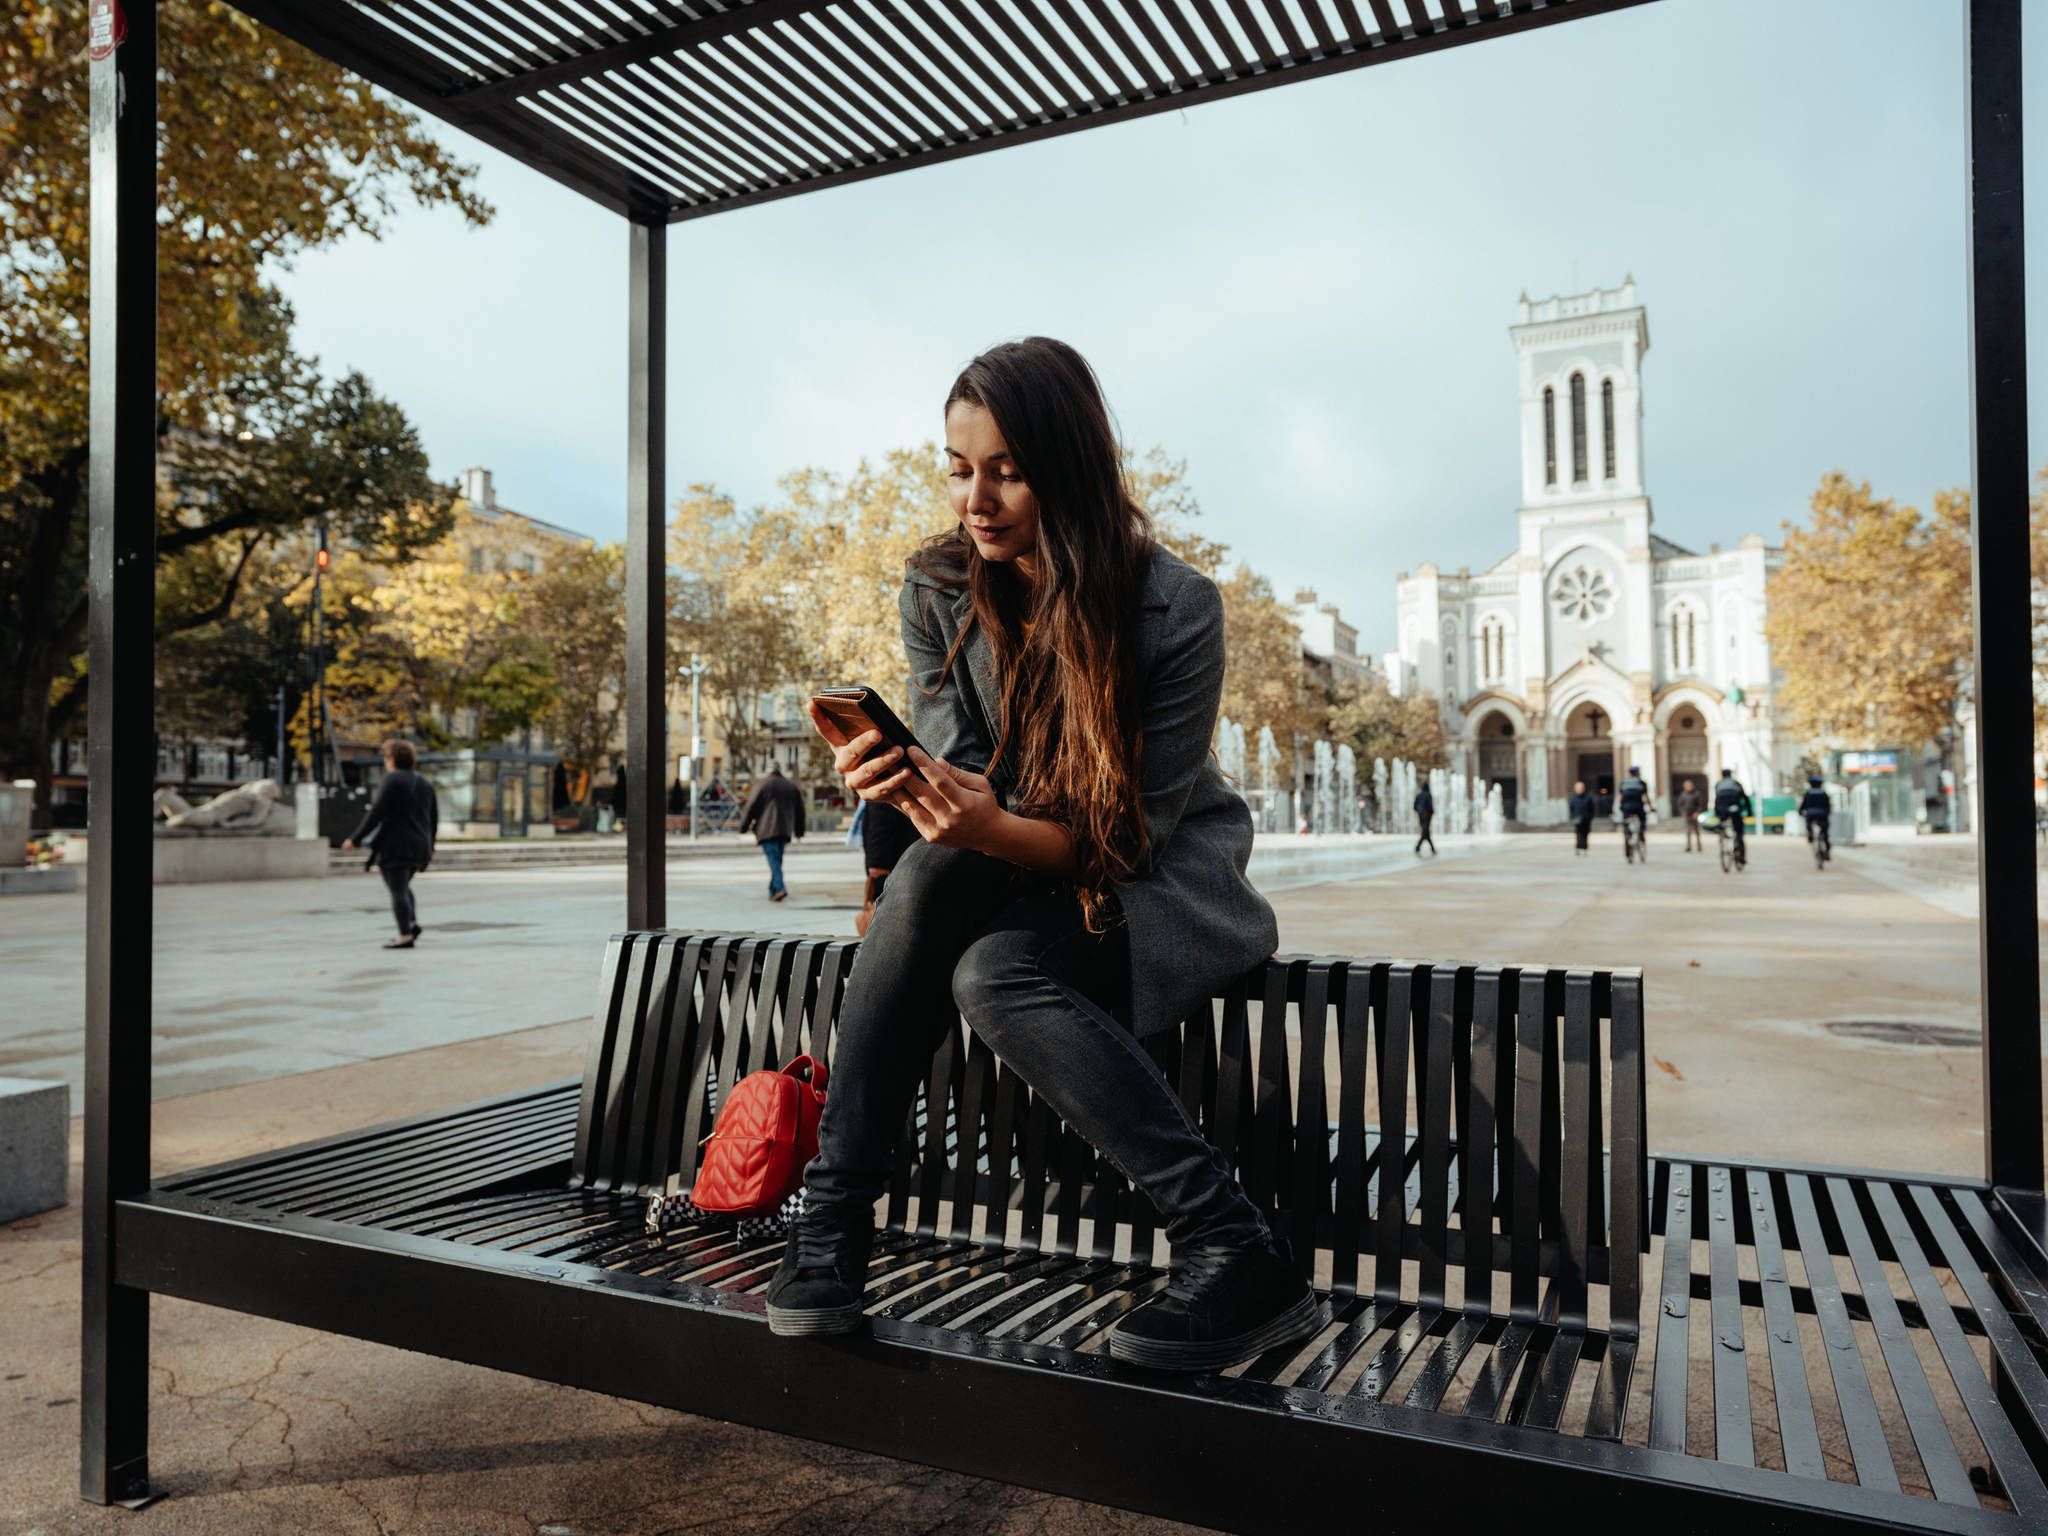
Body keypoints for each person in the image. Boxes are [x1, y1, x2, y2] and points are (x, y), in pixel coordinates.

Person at [767, 337, 1313, 1372]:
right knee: (937, 877)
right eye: (957, 468)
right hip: (1008, 862)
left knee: (992, 969)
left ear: (1069, 467)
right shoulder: (937, 586)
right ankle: (832, 1225)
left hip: (1151, 881)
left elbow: (1128, 836)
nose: (975, 501)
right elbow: (967, 767)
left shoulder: (1176, 608)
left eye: (1006, 471)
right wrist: (910, 788)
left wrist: (979, 826)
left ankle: (1235, 1248)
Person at [340, 739, 437, 950]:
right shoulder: (424, 783)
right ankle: (411, 923)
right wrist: (431, 844)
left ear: (392, 759)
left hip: (396, 844)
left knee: (397, 889)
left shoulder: (392, 779)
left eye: (386, 757)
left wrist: (355, 838)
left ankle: (405, 935)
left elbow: (377, 811)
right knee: (402, 886)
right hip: (419, 845)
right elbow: (433, 818)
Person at [738, 763, 806, 901]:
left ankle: (779, 888)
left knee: (774, 861)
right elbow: (800, 810)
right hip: (785, 830)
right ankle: (774, 889)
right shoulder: (791, 786)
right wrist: (799, 831)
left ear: (767, 772)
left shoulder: (763, 784)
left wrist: (743, 827)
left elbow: (751, 806)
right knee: (777, 860)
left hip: (767, 830)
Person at [855, 798, 918, 936]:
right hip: (907, 853)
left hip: (891, 860)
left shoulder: (880, 786)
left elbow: (880, 818)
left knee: (887, 907)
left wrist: (877, 862)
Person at [1714, 768, 1750, 864]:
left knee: (1722, 823)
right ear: (1730, 774)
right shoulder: (1736, 783)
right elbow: (1745, 798)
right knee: (1739, 832)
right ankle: (1741, 856)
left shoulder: (1719, 784)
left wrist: (1717, 813)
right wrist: (1749, 811)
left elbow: (1716, 799)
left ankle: (1722, 834)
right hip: (1734, 809)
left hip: (1722, 810)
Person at [1616, 765, 1649, 861]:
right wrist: (1651, 808)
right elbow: (1646, 796)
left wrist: (1620, 807)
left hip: (1626, 808)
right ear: (1638, 773)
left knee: (1626, 829)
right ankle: (1641, 832)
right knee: (1642, 820)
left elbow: (1621, 796)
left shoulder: (1624, 782)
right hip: (1638, 808)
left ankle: (1628, 850)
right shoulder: (1641, 782)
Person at [1799, 774, 1832, 857]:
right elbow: (1828, 805)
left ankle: (1810, 833)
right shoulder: (1823, 793)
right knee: (1825, 831)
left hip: (1811, 814)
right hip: (1822, 814)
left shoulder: (1808, 793)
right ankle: (1827, 847)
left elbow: (1803, 805)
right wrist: (1828, 812)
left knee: (1808, 823)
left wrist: (1800, 812)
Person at [1567, 779, 1594, 856]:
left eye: (1580, 788)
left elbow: (1592, 808)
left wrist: (1589, 816)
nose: (1579, 789)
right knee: (1578, 834)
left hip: (1586, 819)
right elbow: (1571, 808)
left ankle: (1584, 848)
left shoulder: (1588, 797)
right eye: (1577, 788)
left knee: (1585, 834)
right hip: (1577, 819)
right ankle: (1578, 848)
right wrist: (1573, 816)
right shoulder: (1574, 798)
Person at [1677, 777, 1704, 853]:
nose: (1688, 787)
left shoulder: (1697, 794)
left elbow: (1700, 804)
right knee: (1688, 831)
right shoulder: (1683, 794)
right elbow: (1680, 804)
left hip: (1695, 814)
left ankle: (1699, 846)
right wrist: (1682, 812)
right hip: (1687, 814)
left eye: (1689, 785)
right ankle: (1688, 846)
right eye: (1686, 786)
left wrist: (1697, 812)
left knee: (1696, 831)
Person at [1414, 782, 1436, 857]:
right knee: (1425, 831)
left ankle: (1432, 848)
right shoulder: (1428, 795)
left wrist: (1419, 811)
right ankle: (1418, 847)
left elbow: (1414, 806)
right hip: (1427, 815)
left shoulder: (1418, 795)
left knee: (1425, 831)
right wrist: (1431, 812)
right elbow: (1430, 806)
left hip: (1420, 815)